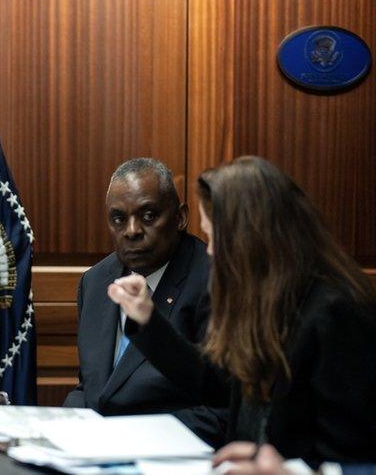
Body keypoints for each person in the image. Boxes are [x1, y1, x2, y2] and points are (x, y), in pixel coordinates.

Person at [109, 156, 376, 465]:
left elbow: (361, 460)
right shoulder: (268, 304)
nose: (209, 251)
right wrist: (148, 320)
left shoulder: (337, 313)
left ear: (252, 238)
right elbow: (220, 386)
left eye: (214, 237)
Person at [63, 158, 226, 445]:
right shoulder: (95, 282)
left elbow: (219, 413)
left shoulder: (213, 281)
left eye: (148, 216)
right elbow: (91, 389)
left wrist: (124, 435)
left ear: (180, 218)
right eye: (118, 219)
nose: (132, 230)